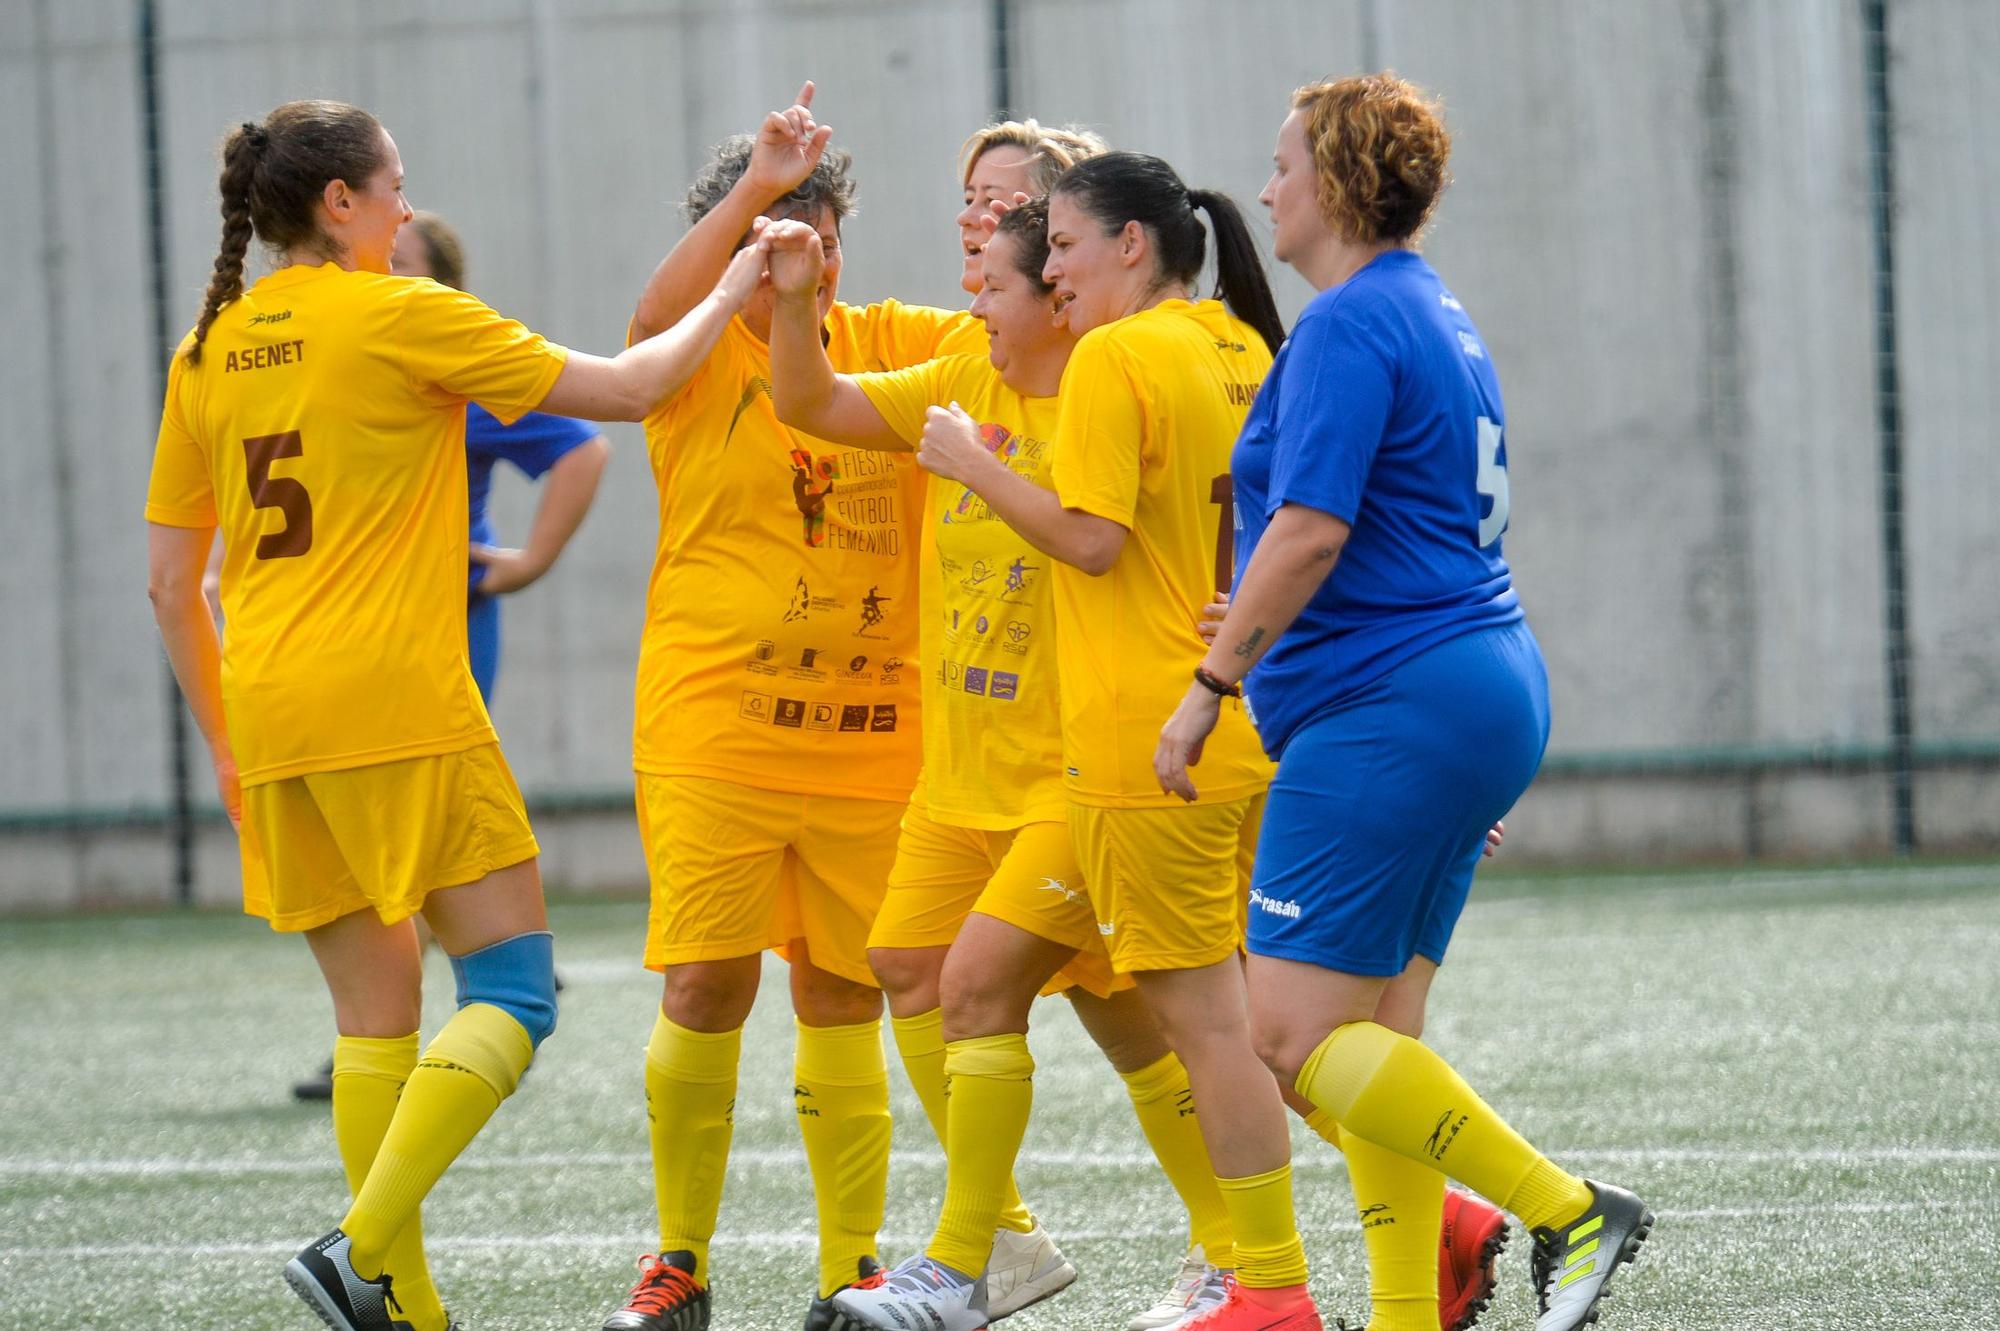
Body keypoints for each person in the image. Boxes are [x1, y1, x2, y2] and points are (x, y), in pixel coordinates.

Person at [144, 98, 766, 1331]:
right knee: (516, 989)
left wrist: (224, 740)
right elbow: (634, 390)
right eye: (395, 188)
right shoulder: (400, 312)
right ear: (340, 203)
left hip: (270, 714)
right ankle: (361, 1245)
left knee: (374, 1019)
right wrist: (742, 268)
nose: (406, 210)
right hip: (397, 700)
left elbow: (172, 583)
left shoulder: (209, 344)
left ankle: (407, 1308)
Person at [1152, 76, 1653, 1331]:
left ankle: (1566, 1207)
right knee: (1379, 1030)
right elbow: (1374, 530)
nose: (1262, 188)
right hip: (1465, 682)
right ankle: (1401, 1314)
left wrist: (1209, 687)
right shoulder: (1430, 310)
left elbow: (1312, 526)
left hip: (1397, 701)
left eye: (1278, 164)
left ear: (1330, 178)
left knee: (1288, 1032)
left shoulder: (1347, 323)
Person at [762, 194, 1223, 1331]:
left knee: (1148, 1019)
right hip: (959, 778)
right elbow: (807, 399)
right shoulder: (962, 379)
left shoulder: (1108, 393)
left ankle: (995, 1257)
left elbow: (1105, 542)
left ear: (1058, 297)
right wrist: (787, 303)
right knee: (907, 960)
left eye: (994, 287)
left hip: (1079, 774)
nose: (970, 306)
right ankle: (1007, 1240)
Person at [597, 87, 995, 1331]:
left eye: (816, 237)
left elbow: (1024, 333)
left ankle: (851, 1266)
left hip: (876, 737)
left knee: (846, 992)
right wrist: (750, 204)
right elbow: (653, 311)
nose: (797, 259)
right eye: (772, 234)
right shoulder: (698, 344)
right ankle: (679, 1264)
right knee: (703, 985)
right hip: (716, 726)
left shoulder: (897, 338)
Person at [288, 211, 607, 1105]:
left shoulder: (445, 359)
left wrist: (531, 560)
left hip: (432, 632)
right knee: (396, 842)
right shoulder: (331, 355)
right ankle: (455, 999)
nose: (382, 267)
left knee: (421, 837)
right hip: (345, 645)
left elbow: (588, 439)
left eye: (404, 262)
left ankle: (455, 1005)